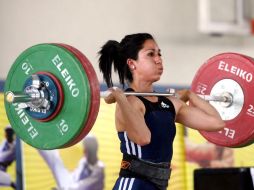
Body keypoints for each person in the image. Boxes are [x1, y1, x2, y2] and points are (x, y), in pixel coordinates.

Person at [98, 33, 225, 190]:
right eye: (150, 54)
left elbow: (217, 123)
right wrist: (121, 98)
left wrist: (191, 94)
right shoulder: (130, 102)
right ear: (132, 63)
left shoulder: (169, 103)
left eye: (159, 54)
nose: (158, 59)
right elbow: (143, 138)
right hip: (133, 184)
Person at [38, 135, 104, 190]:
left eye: (88, 150)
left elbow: (82, 187)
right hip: (70, 186)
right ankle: (39, 139)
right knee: (55, 161)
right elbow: (74, 178)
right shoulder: (84, 161)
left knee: (56, 163)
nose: (85, 151)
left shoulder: (98, 170)